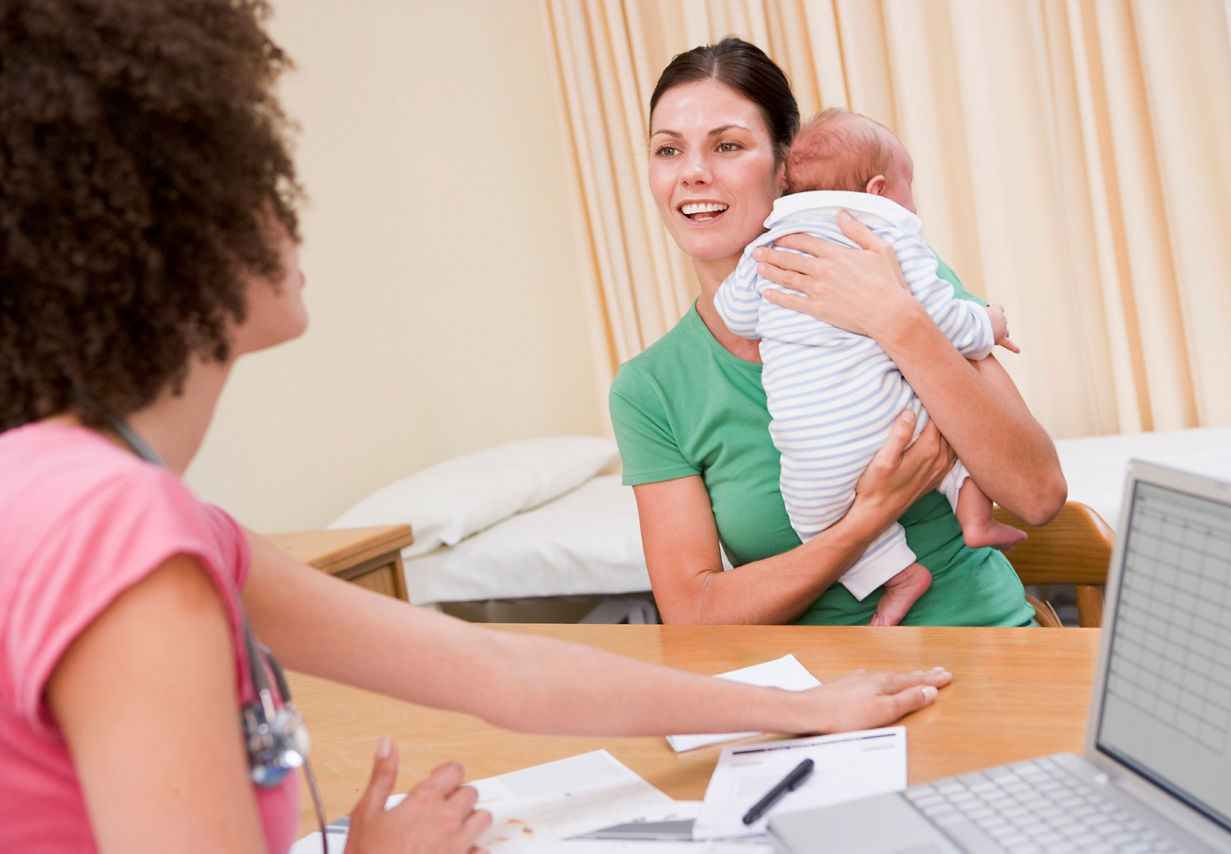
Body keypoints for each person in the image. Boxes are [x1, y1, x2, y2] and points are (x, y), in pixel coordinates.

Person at [0, 4, 955, 852]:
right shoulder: (118, 537)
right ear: (174, 236)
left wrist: (802, 708)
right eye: (263, 183)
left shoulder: (125, 505)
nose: (290, 214)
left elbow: (500, 669)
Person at [610, 38, 1066, 627]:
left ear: (785, 169)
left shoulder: (894, 270)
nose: (694, 173)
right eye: (668, 150)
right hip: (818, 700)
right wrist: (866, 520)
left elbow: (1037, 493)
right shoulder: (654, 389)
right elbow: (695, 613)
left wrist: (895, 321)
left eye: (727, 145)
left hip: (985, 652)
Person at [712, 108, 1029, 627]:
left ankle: (898, 575)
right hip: (895, 421)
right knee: (957, 442)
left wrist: (769, 284)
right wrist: (991, 323)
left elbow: (736, 315)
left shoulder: (769, 247)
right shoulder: (890, 241)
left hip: (817, 453)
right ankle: (976, 520)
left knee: (812, 514)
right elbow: (947, 323)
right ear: (879, 189)